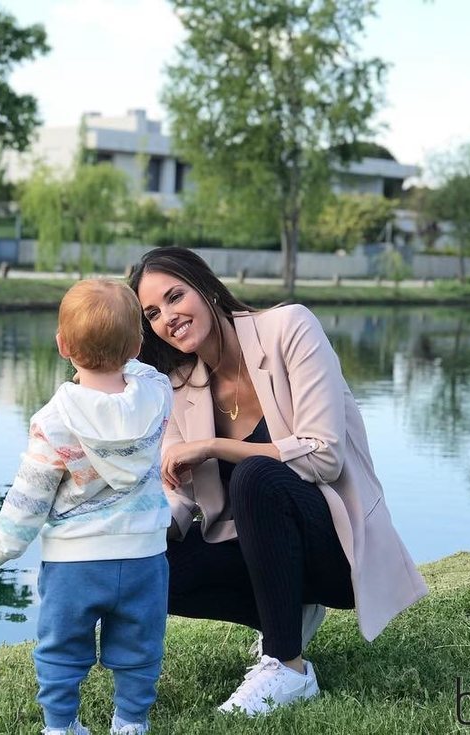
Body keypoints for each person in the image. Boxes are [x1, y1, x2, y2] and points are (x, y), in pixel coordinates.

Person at [130, 247, 428, 717]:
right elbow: (181, 495)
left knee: (255, 476)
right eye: (153, 313)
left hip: (334, 549)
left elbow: (323, 455)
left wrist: (215, 447)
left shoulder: (289, 327)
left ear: (206, 287)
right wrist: (136, 528)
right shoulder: (176, 385)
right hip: (260, 552)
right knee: (145, 559)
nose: (169, 317)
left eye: (175, 296)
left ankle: (288, 667)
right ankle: (287, 617)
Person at [0, 279, 173, 735]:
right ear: (138, 345)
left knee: (61, 649)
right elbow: (145, 373)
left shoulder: (53, 421)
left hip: (75, 562)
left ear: (62, 345)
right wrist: (128, 352)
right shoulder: (158, 396)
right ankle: (130, 722)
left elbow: (28, 502)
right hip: (144, 555)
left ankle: (61, 726)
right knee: (140, 647)